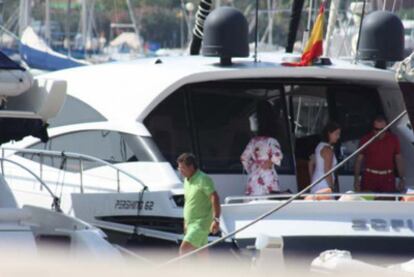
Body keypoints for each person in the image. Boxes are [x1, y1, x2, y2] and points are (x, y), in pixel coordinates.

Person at [177, 153, 220, 256]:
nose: (180, 171)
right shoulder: (186, 180)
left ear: (191, 166)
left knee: (184, 249)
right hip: (191, 224)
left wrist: (216, 220)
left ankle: (182, 272)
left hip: (200, 224)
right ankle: (206, 272)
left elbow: (215, 198)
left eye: (182, 168)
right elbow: (189, 202)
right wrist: (186, 222)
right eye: (179, 168)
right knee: (202, 254)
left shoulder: (203, 179)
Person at [241, 101, 283, 196]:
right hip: (268, 176)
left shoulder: (253, 141)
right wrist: (270, 162)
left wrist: (252, 168)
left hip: (254, 177)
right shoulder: (272, 141)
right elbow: (277, 155)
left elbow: (243, 158)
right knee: (270, 201)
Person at [354, 115, 405, 193]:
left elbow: (398, 159)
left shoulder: (393, 139)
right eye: (377, 129)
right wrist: (356, 179)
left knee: (388, 204)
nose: (379, 132)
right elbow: (358, 160)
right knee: (367, 204)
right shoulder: (366, 140)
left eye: (382, 129)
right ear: (373, 128)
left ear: (386, 128)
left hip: (387, 178)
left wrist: (402, 178)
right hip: (369, 177)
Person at [308, 122, 341, 199]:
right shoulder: (328, 150)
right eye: (336, 134)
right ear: (329, 133)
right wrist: (332, 187)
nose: (338, 137)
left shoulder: (319, 146)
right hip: (324, 184)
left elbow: (310, 163)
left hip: (316, 181)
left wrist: (312, 180)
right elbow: (327, 171)